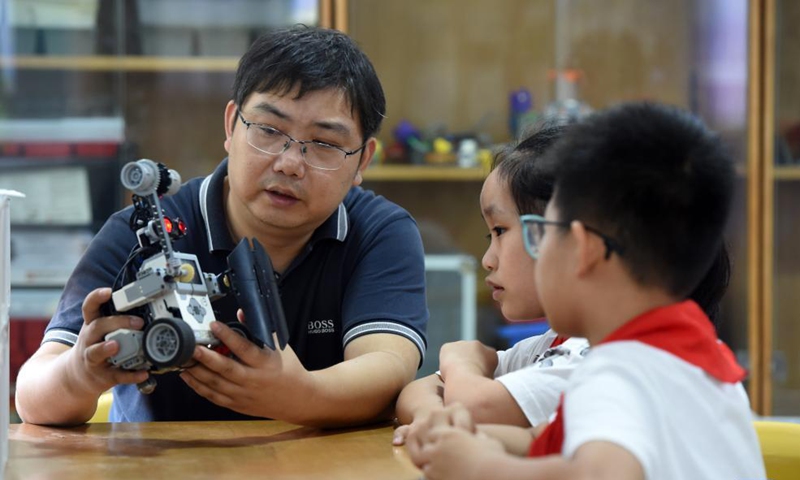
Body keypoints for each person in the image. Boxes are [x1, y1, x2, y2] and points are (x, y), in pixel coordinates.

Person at [15, 26, 428, 427]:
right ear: (231, 126)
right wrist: (77, 375)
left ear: (362, 160)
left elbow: (389, 366)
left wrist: (300, 395)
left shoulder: (379, 232)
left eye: (324, 143)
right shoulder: (145, 233)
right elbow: (32, 394)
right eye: (269, 130)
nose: (289, 163)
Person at [404, 102, 765, 480]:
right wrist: (462, 439)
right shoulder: (696, 362)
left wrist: (479, 467)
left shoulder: (617, 371)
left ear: (583, 248)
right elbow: (544, 443)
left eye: (540, 234)